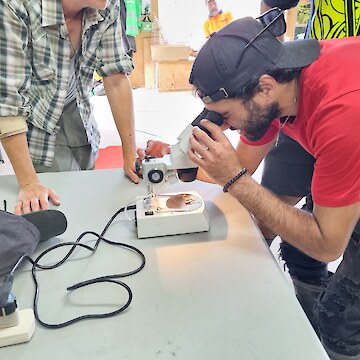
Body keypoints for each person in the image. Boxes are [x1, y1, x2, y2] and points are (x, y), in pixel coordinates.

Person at [186, 15, 360, 360]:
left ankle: (337, 341)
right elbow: (241, 164)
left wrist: (235, 180)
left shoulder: (342, 112)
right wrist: (174, 156)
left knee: (339, 318)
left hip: (351, 132)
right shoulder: (273, 88)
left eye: (227, 115)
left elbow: (328, 243)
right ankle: (311, 335)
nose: (228, 127)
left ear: (264, 88)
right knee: (297, 249)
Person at [0, 0, 140, 216]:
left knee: (86, 194)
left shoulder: (106, 4)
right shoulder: (16, 5)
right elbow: (8, 102)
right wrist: (28, 183)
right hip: (36, 122)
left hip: (79, 111)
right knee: (59, 206)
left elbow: (116, 78)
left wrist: (130, 154)